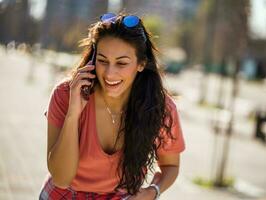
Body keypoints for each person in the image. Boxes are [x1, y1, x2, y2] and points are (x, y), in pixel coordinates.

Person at [39, 12, 185, 200]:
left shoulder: (161, 108)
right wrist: (73, 114)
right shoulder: (66, 94)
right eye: (102, 61)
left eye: (121, 63)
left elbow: (170, 166)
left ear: (141, 63)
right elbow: (61, 179)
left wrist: (152, 191)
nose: (109, 73)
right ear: (93, 60)